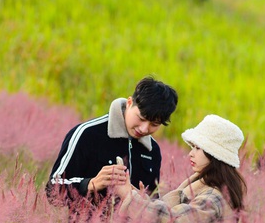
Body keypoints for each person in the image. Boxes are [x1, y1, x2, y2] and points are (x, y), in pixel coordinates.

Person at [46, 76, 178, 206]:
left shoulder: (152, 150)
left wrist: (144, 201)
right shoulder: (87, 134)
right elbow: (52, 190)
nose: (144, 129)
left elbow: (154, 208)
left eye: (154, 124)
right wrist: (92, 184)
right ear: (129, 103)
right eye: (141, 118)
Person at [112, 115, 246, 223]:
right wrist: (134, 193)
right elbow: (168, 212)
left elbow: (171, 222)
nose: (191, 153)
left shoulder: (211, 199)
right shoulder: (200, 188)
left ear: (215, 156)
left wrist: (130, 197)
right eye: (192, 147)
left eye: (198, 148)